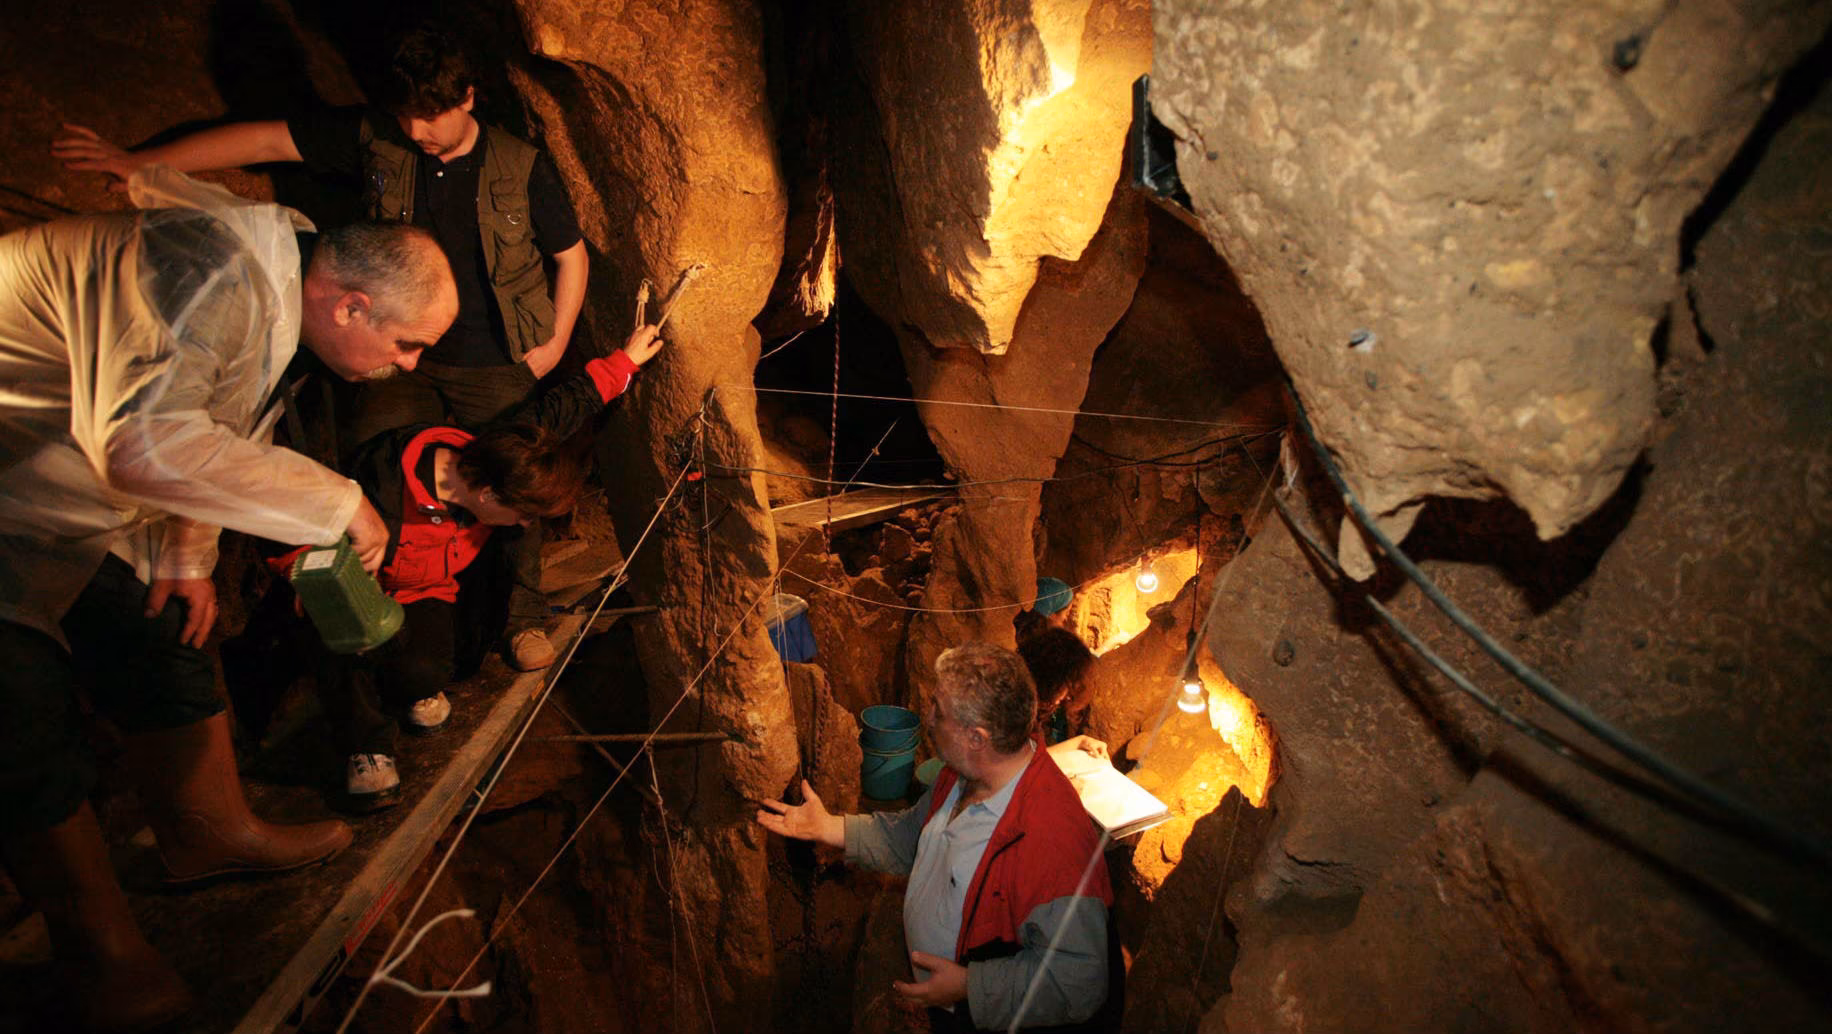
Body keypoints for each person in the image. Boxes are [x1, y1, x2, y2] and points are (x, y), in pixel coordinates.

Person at [0, 164, 456, 1032]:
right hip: (23, 475)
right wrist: (339, 499)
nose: (410, 365)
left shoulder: (274, 292)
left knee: (165, 623)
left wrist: (185, 551)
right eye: (409, 344)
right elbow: (144, 438)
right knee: (16, 699)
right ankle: (99, 950)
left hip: (52, 487)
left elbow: (214, 418)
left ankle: (207, 831)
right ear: (352, 305)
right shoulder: (213, 270)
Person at [54, 22, 589, 672]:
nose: (418, 130)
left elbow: (570, 254)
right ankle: (371, 626)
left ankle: (519, 619)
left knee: (514, 488)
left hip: (492, 357)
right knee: (377, 475)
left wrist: (552, 344)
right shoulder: (379, 136)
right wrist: (144, 164)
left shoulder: (518, 162)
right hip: (394, 352)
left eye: (432, 114)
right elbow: (268, 139)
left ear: (469, 97)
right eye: (408, 114)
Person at [285, 324, 664, 807]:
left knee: (429, 670)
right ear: (486, 496)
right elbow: (299, 515)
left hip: (428, 589)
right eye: (522, 513)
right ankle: (367, 748)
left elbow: (556, 412)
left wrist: (624, 363)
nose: (525, 525)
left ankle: (412, 687)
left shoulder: (496, 454)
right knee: (342, 635)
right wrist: (306, 573)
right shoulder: (380, 488)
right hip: (368, 596)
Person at [757, 643, 1112, 1032]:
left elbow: (1079, 980)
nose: (927, 719)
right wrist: (828, 827)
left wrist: (969, 987)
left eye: (938, 712)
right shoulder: (962, 773)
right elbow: (911, 837)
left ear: (976, 738)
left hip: (981, 1017)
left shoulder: (1050, 841)